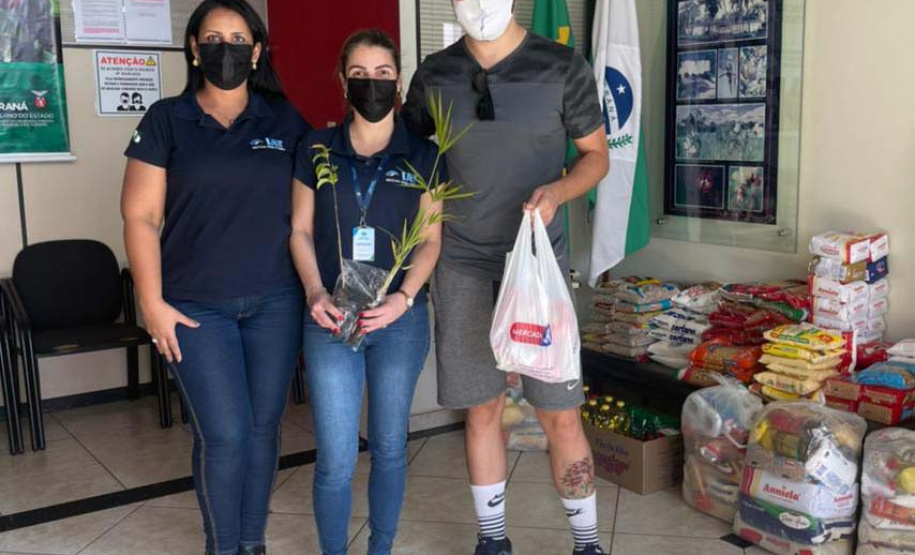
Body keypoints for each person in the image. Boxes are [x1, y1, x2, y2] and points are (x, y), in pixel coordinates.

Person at [403, 1, 610, 554]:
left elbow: (595, 156)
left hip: (538, 266)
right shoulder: (434, 73)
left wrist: (558, 192)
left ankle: (587, 543)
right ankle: (492, 540)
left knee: (560, 413)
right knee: (482, 407)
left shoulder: (562, 66)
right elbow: (412, 154)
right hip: (462, 263)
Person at [119, 1, 309, 553]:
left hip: (276, 302)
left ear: (256, 51)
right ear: (194, 48)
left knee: (261, 431)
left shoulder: (284, 119)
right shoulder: (165, 119)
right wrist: (149, 302)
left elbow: (313, 209)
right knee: (224, 435)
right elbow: (141, 216)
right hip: (194, 307)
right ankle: (223, 547)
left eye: (238, 38)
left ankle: (254, 542)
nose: (225, 48)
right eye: (212, 37)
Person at [290, 29, 444, 555]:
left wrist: (403, 298)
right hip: (332, 319)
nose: (372, 84)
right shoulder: (315, 147)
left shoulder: (425, 154)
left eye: (383, 74)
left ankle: (381, 547)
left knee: (389, 448)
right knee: (335, 457)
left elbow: (430, 241)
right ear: (342, 82)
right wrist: (314, 291)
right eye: (360, 75)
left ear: (398, 81)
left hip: (398, 323)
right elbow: (300, 231)